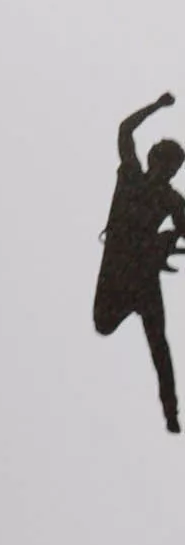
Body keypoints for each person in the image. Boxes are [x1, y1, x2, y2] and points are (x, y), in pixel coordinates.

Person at [93, 92, 185, 434]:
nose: (166, 171)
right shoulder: (131, 173)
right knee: (103, 324)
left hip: (142, 273)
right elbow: (125, 129)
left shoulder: (171, 198)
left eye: (171, 168)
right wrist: (157, 106)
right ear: (153, 159)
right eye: (164, 163)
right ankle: (170, 411)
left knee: (158, 343)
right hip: (118, 267)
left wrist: (167, 241)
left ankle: (171, 411)